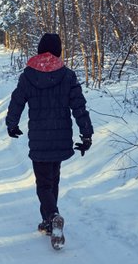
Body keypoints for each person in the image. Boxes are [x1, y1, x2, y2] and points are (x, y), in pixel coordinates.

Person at [5, 33, 93, 249]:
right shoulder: (68, 76)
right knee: (53, 179)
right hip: (61, 136)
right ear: (58, 50)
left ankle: (51, 216)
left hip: (39, 137)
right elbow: (79, 106)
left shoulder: (28, 76)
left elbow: (17, 101)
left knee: (43, 182)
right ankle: (49, 219)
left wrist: (12, 124)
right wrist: (86, 133)